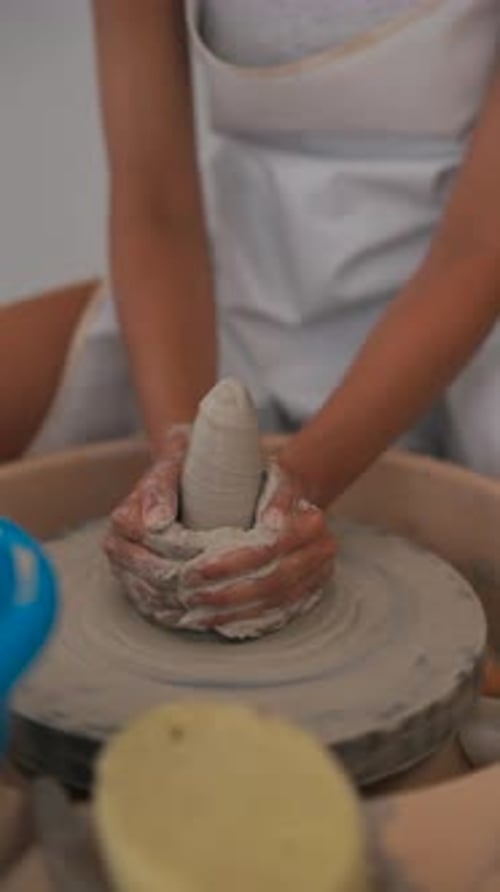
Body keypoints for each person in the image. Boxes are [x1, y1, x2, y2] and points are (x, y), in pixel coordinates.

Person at [8, 1, 500, 633]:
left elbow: (477, 248)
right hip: (232, 276)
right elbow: (156, 205)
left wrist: (295, 489)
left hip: (469, 301)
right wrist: (186, 474)